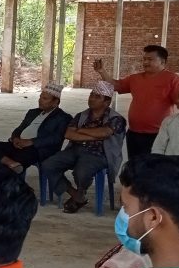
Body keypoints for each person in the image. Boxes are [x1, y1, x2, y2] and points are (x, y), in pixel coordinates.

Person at [40, 81, 126, 214]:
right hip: (74, 150)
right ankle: (75, 194)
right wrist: (94, 136)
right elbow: (69, 134)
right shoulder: (82, 115)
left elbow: (105, 133)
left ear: (107, 102)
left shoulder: (116, 119)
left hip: (99, 154)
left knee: (82, 171)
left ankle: (80, 193)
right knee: (48, 165)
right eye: (91, 95)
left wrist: (81, 131)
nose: (91, 99)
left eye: (97, 97)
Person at [93, 45, 179, 160]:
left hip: (160, 134)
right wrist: (102, 71)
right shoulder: (135, 78)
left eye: (150, 59)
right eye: (144, 59)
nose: (145, 62)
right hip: (134, 133)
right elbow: (115, 85)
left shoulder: (173, 79)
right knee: (135, 165)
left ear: (162, 61)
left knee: (156, 167)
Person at [0, 82, 72, 175]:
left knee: (16, 158)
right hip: (19, 145)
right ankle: (12, 164)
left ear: (55, 102)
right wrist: (15, 138)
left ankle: (10, 170)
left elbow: (56, 138)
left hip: (38, 150)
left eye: (45, 98)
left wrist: (31, 142)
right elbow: (19, 128)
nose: (40, 100)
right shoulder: (33, 112)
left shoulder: (63, 118)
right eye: (40, 97)